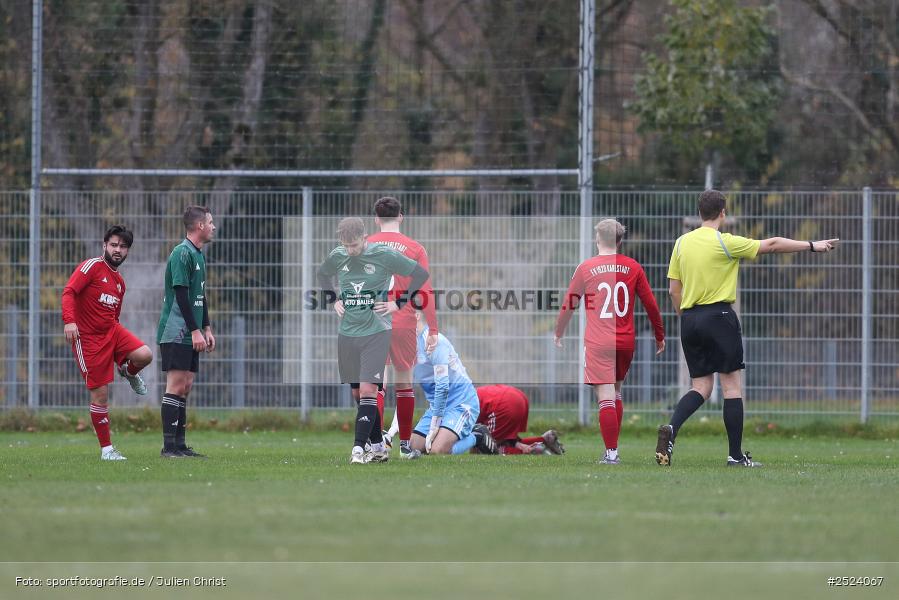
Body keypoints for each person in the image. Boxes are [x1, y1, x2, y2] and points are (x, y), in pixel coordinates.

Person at [657, 189, 839, 467]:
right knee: (731, 387)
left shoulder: (681, 243)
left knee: (701, 387)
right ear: (723, 213)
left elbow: (672, 290)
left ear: (698, 213)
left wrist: (686, 316)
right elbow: (773, 244)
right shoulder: (725, 242)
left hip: (689, 320)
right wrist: (813, 245)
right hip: (718, 317)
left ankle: (671, 428)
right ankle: (735, 456)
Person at [318, 217, 430, 465]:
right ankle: (379, 445)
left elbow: (420, 274)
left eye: (355, 246)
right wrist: (333, 299)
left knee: (370, 390)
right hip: (348, 333)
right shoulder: (339, 255)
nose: (351, 251)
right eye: (346, 246)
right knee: (359, 394)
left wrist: (398, 303)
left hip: (377, 332)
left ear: (364, 238)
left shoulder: (383, 254)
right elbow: (322, 274)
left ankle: (358, 450)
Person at [554, 219, 666, 465]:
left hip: (598, 342)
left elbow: (569, 303)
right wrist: (660, 335)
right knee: (616, 393)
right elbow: (651, 305)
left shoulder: (585, 268)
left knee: (605, 395)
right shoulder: (633, 267)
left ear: (597, 239)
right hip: (625, 342)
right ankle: (612, 450)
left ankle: (612, 454)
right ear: (620, 241)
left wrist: (559, 331)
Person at [61, 225, 153, 461]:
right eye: (113, 245)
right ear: (104, 245)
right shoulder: (91, 267)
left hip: (112, 331)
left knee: (145, 355)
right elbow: (69, 292)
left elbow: (114, 316)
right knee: (100, 395)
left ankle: (128, 372)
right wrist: (70, 322)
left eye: (123, 247)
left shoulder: (120, 282)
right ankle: (107, 450)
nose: (117, 250)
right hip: (88, 339)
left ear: (127, 251)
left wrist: (118, 351)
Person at [367, 196, 439, 459]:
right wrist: (433, 329)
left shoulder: (365, 246)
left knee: (375, 385)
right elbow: (425, 290)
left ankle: (375, 444)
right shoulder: (415, 248)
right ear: (400, 217)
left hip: (371, 321)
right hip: (403, 321)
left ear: (376, 219)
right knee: (404, 383)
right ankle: (406, 446)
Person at [156, 206, 217, 459]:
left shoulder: (198, 254)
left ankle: (180, 446)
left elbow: (198, 296)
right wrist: (193, 330)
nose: (214, 226)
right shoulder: (182, 253)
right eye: (210, 222)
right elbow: (180, 294)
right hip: (177, 331)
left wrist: (206, 327)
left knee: (186, 385)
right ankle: (169, 447)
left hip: (192, 331)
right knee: (175, 385)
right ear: (200, 226)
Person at [409, 312, 482, 456]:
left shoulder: (435, 341)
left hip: (461, 403)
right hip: (437, 406)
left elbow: (443, 387)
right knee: (411, 448)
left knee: (437, 451)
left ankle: (478, 436)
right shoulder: (408, 343)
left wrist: (434, 426)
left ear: (416, 316)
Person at [474, 384, 565, 455]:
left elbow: (475, 438)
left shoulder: (463, 402)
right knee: (506, 441)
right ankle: (545, 439)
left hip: (504, 404)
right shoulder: (472, 392)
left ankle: (531, 451)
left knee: (487, 448)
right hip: (519, 397)